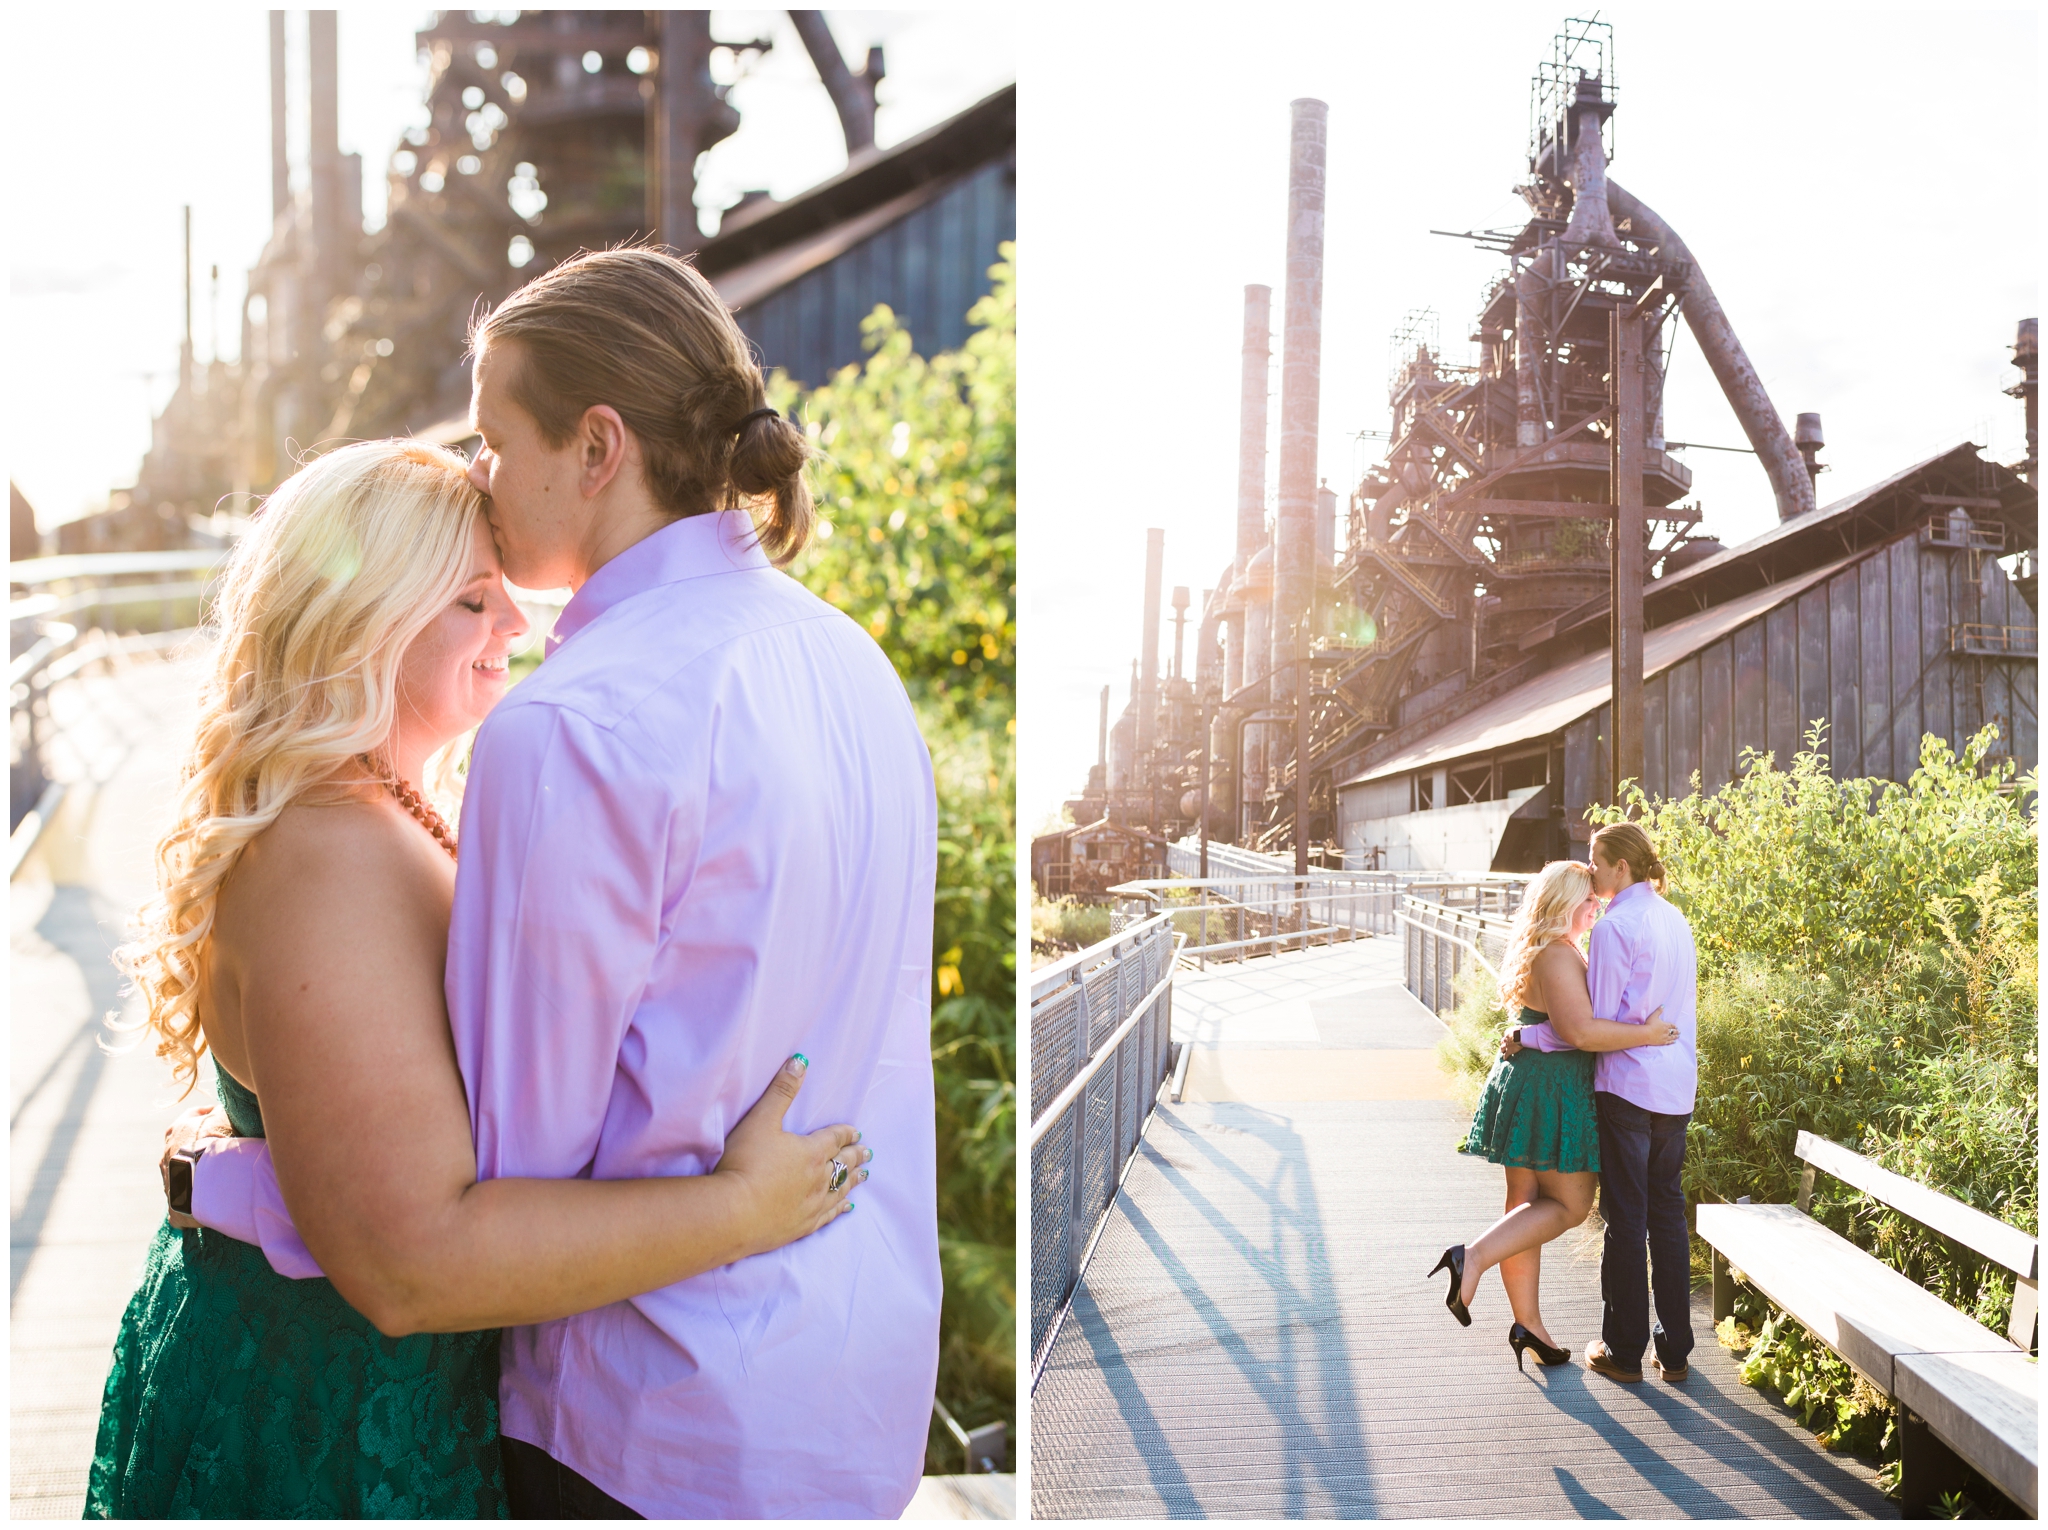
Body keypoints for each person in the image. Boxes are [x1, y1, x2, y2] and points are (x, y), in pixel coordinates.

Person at [144, 248, 944, 1516]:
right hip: (845, 1393)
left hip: (639, 1425)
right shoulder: (849, 662)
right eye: (464, 602)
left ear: (596, 446)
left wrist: (238, 1185)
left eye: (492, 436)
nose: (479, 472)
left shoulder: (572, 728)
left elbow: (484, 1192)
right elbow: (431, 1221)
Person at [1429, 859, 1679, 1371]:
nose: (1597, 906)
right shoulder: (1561, 957)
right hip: (1552, 1088)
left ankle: (1530, 1326)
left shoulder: (1543, 950)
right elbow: (1578, 1033)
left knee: (1523, 1204)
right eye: (1587, 899)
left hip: (1528, 1080)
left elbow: (1550, 1026)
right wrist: (1647, 1035)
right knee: (1569, 1207)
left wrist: (1523, 1036)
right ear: (1562, 904)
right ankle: (1471, 1257)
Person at [1572, 822, 1699, 1385]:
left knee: (1626, 1218)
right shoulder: (1676, 919)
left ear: (1621, 866)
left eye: (1596, 862)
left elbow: (1593, 1023)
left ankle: (1623, 1350)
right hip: (1675, 1085)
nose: (1591, 872)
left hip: (1626, 1084)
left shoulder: (1613, 927)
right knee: (1667, 1212)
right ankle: (1674, 1351)